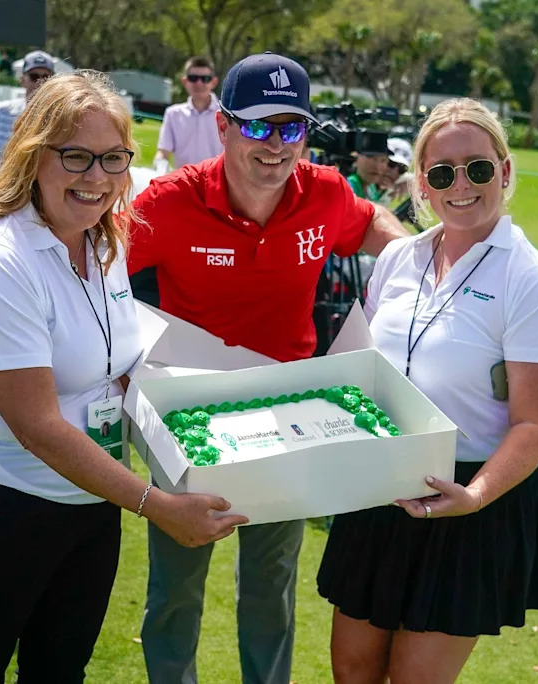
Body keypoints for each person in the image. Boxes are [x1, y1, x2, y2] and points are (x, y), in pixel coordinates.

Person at [0, 70, 247, 683]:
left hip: (91, 494)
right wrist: (157, 504)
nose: (96, 177)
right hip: (0, 498)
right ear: (32, 153)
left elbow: (118, 364)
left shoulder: (106, 243)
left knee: (60, 669)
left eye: (113, 158)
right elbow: (38, 427)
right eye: (75, 155)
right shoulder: (1, 263)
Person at [128, 52, 409, 684]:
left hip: (289, 418)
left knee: (271, 586)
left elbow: (374, 227)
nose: (275, 145)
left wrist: (415, 276)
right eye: (258, 126)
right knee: (176, 587)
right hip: (187, 415)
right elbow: (98, 272)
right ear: (223, 126)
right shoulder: (170, 202)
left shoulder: (328, 192)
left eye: (291, 127)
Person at [317, 98, 538, 684]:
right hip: (382, 488)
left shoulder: (532, 281)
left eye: (477, 168)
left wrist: (476, 496)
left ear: (504, 173)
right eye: (442, 173)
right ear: (423, 186)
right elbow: (364, 370)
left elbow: (535, 426)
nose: (461, 185)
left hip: (467, 502)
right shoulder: (398, 259)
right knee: (352, 670)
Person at [0, 49, 55, 169]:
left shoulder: (60, 119)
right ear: (22, 80)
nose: (40, 82)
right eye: (34, 77)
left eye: (46, 77)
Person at [153, 56, 223, 171]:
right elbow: (163, 153)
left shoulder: (226, 115)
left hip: (217, 184)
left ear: (213, 82)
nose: (199, 83)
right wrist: (159, 168)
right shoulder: (173, 114)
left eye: (205, 78)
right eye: (193, 78)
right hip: (184, 185)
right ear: (185, 81)